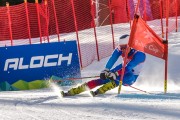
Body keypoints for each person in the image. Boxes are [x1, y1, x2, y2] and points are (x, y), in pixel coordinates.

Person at [61, 34, 146, 97]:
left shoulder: (139, 55)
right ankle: (73, 91)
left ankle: (100, 90)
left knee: (120, 78)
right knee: (103, 79)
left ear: (130, 46)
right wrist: (106, 70)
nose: (122, 50)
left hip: (131, 76)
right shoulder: (119, 50)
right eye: (121, 47)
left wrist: (115, 74)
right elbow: (112, 59)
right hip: (122, 67)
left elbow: (129, 67)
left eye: (124, 47)